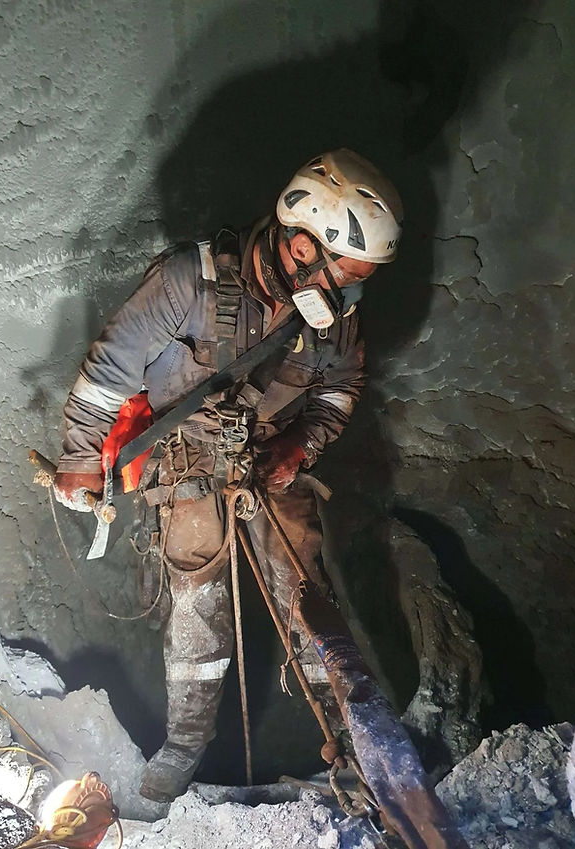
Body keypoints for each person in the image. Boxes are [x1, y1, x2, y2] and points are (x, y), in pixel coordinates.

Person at [53, 149, 403, 803]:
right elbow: (111, 370)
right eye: (346, 278)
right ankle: (185, 744)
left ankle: (352, 740)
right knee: (196, 606)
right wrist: (78, 457)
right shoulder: (190, 283)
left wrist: (301, 443)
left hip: (271, 459)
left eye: (361, 281)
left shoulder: (332, 314)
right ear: (301, 247)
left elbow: (341, 386)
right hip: (187, 462)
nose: (351, 297)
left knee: (305, 596)